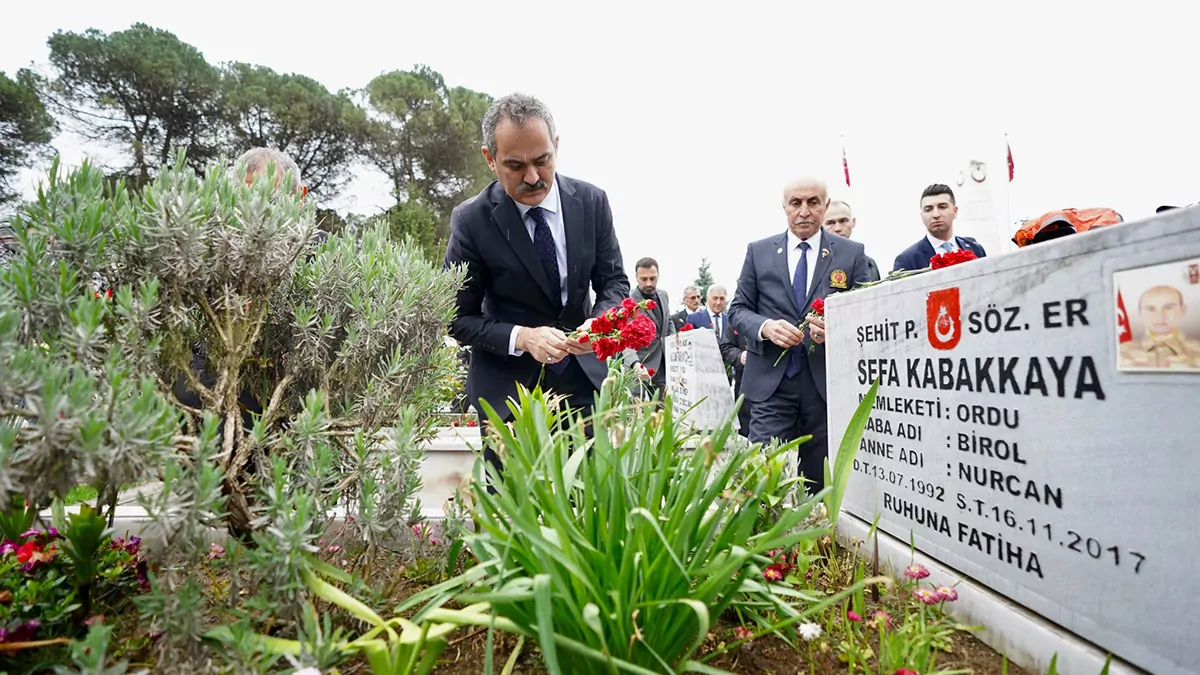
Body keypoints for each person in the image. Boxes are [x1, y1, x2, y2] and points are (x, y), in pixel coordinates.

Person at [443, 93, 630, 482]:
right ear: (489, 159)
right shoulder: (471, 221)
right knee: (514, 514)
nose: (532, 177)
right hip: (507, 395)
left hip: (582, 382)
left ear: (556, 146)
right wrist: (523, 337)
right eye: (515, 165)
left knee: (588, 507)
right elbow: (457, 319)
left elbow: (614, 283)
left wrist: (597, 325)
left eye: (542, 160)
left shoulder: (592, 202)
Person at [727, 177, 871, 494]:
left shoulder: (851, 254)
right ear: (784, 208)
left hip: (825, 389)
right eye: (796, 203)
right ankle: (768, 542)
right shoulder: (759, 252)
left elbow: (865, 313)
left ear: (825, 205)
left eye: (813, 202)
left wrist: (837, 329)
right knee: (762, 478)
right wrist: (765, 327)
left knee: (821, 482)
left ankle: (817, 541)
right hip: (771, 385)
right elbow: (737, 310)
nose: (804, 211)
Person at [892, 184, 986, 273]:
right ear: (922, 216)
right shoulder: (907, 260)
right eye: (928, 209)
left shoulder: (975, 249)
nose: (936, 215)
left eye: (942, 207)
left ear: (955, 211)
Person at [1119, 285, 1200, 369]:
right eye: (1150, 309)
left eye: (1168, 308)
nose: (1160, 316)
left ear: (1183, 311)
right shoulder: (1120, 352)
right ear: (1140, 313)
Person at [629, 257, 674, 391]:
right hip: (639, 369)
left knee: (662, 409)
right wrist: (634, 363)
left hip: (663, 366)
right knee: (638, 411)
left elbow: (668, 320)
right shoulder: (628, 301)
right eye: (644, 279)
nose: (649, 283)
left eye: (652, 278)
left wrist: (675, 341)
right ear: (636, 278)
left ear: (658, 276)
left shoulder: (664, 295)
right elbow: (624, 340)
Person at [823, 200, 880, 282]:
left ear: (853, 222)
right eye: (830, 223)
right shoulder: (815, 262)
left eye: (843, 221)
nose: (838, 228)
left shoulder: (868, 264)